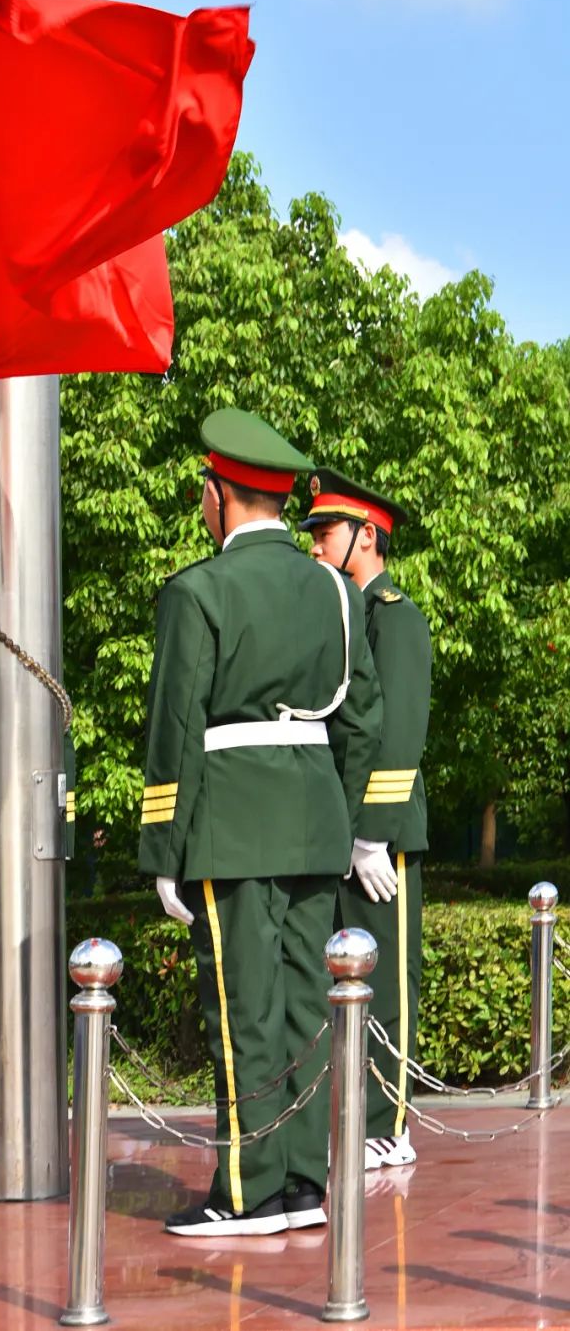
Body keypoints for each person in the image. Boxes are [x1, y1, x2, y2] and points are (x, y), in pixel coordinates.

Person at [139, 408, 383, 1237]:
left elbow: (175, 730)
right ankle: (302, 1186)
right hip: (312, 820)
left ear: (217, 495)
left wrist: (164, 850)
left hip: (231, 823)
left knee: (243, 1009)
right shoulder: (334, 592)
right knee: (307, 1011)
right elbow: (361, 721)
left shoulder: (198, 589)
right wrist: (340, 820)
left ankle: (247, 1190)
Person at [301, 469, 431, 1172]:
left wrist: (373, 830)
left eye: (327, 534)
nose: (317, 547)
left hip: (383, 836)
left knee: (384, 980)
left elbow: (399, 729)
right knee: (339, 983)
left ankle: (389, 1120)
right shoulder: (342, 616)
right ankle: (351, 1114)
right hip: (337, 830)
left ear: (367, 536)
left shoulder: (396, 616)